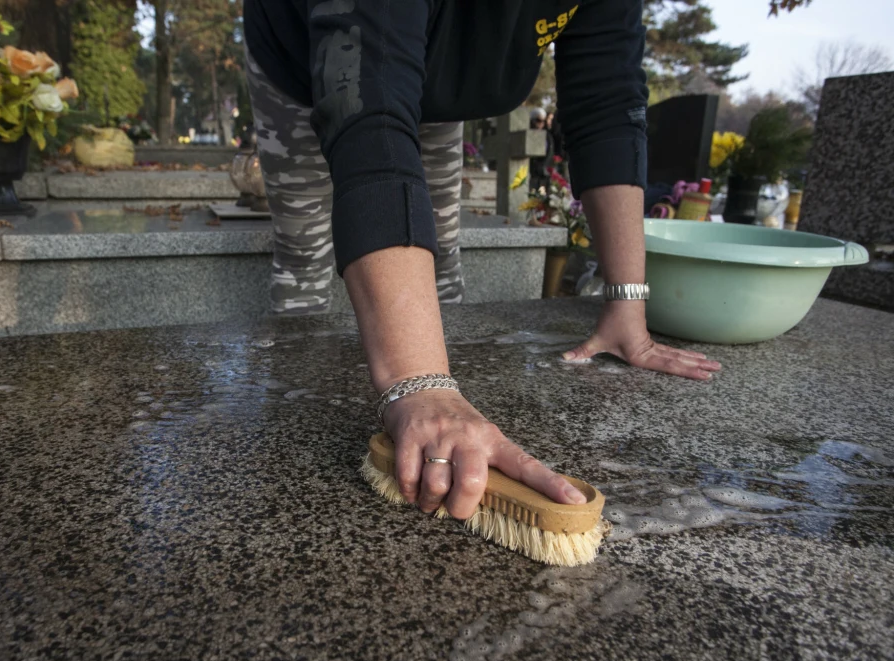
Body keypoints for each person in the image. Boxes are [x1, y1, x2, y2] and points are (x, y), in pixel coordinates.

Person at [243, 0, 722, 519]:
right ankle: (291, 454)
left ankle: (446, 410)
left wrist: (626, 303)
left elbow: (608, 102)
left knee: (439, 248)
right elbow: (368, 109)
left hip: (434, 77)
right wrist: (417, 383)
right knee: (304, 257)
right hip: (305, 56)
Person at [528, 107, 550, 192]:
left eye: (543, 121)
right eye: (538, 120)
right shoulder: (527, 136)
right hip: (532, 174)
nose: (541, 124)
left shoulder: (547, 136)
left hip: (543, 174)